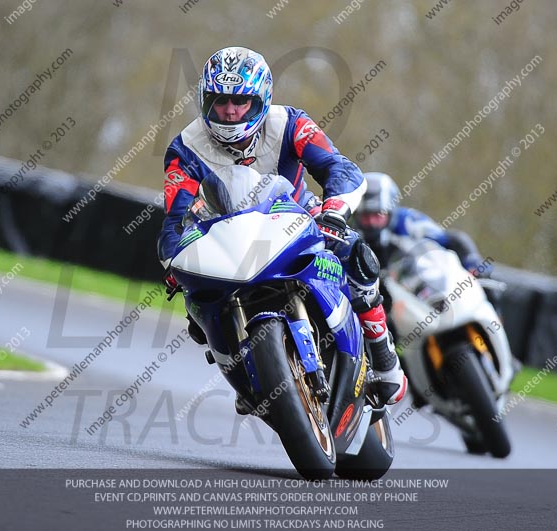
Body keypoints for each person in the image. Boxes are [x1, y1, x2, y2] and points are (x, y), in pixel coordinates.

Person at [157, 46, 407, 409]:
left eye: (241, 102)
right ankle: (246, 371)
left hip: (296, 215)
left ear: (261, 100)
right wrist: (174, 260)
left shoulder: (290, 123)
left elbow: (340, 168)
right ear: (204, 101)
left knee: (355, 251)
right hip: (223, 233)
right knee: (196, 305)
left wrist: (335, 210)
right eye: (219, 100)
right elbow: (175, 215)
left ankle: (383, 356)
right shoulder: (185, 148)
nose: (229, 110)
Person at [353, 172, 501, 308]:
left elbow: (453, 239)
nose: (372, 222)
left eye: (378, 215)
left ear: (391, 212)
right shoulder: (350, 235)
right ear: (356, 216)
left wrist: (474, 264)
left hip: (428, 298)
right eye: (366, 216)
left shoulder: (408, 222)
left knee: (490, 293)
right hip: (385, 306)